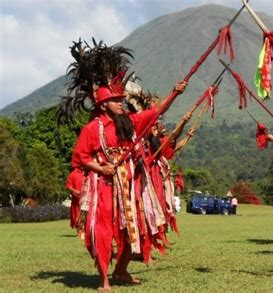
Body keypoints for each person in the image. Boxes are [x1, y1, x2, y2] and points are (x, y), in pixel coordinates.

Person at [72, 81, 187, 291]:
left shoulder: (129, 122)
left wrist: (174, 94)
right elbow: (81, 158)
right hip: (103, 187)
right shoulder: (92, 129)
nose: (120, 103)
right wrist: (101, 169)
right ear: (104, 105)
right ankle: (104, 279)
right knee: (102, 232)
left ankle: (121, 270)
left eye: (120, 100)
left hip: (130, 185)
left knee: (136, 230)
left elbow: (155, 112)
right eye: (115, 101)